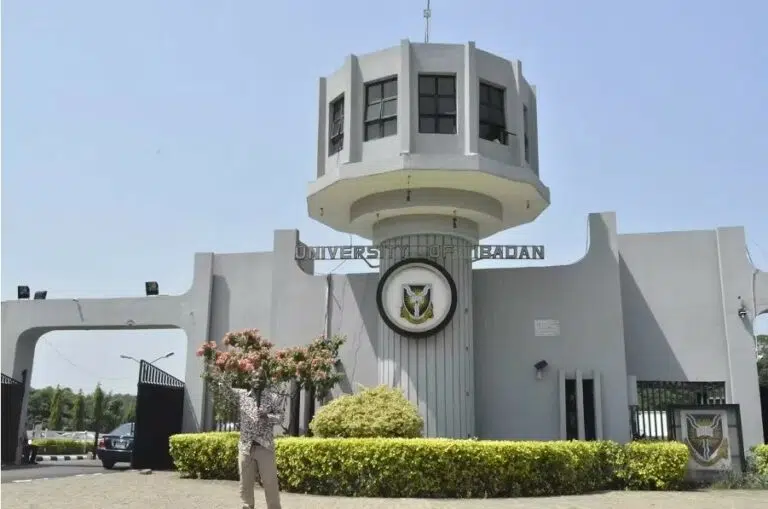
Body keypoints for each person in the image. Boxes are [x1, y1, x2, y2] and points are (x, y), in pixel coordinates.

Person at [226, 384, 286, 509]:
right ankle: (247, 506)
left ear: (264, 380)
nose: (258, 380)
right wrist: (222, 378)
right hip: (246, 446)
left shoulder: (272, 397)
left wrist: (267, 416)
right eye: (255, 377)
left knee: (270, 482)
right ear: (251, 380)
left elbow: (281, 417)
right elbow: (227, 392)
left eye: (260, 378)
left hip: (265, 447)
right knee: (245, 483)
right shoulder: (242, 395)